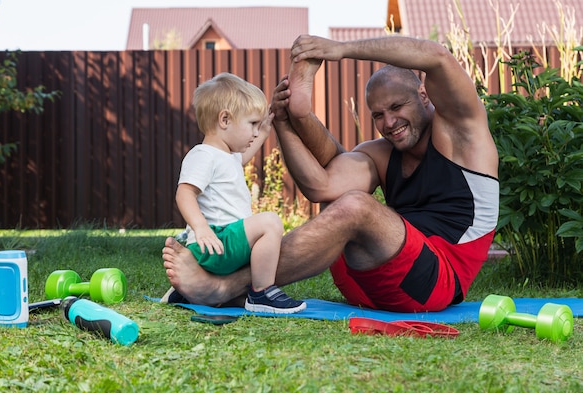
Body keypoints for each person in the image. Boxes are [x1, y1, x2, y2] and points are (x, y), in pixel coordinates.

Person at [162, 35, 499, 312]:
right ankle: (237, 288)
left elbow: (436, 55)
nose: (389, 123)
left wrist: (339, 50)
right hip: (368, 279)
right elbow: (321, 186)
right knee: (342, 197)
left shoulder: (461, 131)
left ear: (423, 95)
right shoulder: (384, 154)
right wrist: (289, 122)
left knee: (356, 206)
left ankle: (222, 286)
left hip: (434, 283)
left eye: (397, 107)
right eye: (378, 114)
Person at [162, 72, 306, 314]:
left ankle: (185, 294)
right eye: (251, 124)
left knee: (265, 232)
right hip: (215, 240)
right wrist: (201, 227)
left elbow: (246, 153)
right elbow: (184, 193)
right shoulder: (203, 155)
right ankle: (261, 293)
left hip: (223, 241)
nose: (254, 133)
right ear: (225, 120)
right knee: (270, 222)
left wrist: (265, 127)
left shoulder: (227, 157)